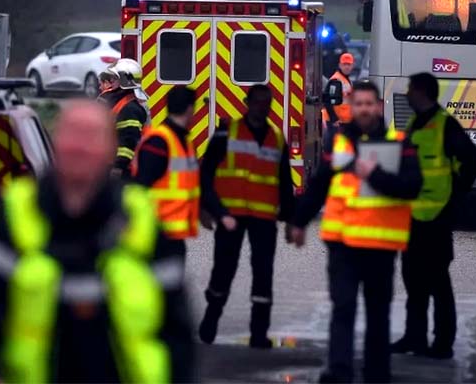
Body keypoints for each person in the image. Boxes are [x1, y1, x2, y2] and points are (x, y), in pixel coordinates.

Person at [0, 100, 194, 383]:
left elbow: (176, 326)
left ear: (110, 149)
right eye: (72, 134)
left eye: (91, 136)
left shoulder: (141, 219)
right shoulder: (15, 213)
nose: (80, 146)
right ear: (55, 142)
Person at [288, 80, 421, 384]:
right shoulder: (339, 142)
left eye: (369, 104)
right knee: (343, 308)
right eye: (358, 103)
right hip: (343, 244)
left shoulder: (399, 143)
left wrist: (373, 173)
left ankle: (377, 373)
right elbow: (319, 184)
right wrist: (299, 221)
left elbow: (411, 187)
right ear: (351, 105)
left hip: (380, 245)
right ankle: (338, 372)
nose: (363, 109)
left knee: (377, 314)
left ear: (378, 107)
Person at [391, 72, 476, 360]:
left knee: (438, 281)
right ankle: (414, 337)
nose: (407, 94)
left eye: (410, 90)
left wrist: (457, 193)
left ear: (422, 92)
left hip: (438, 217)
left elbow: (472, 158)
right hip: (413, 216)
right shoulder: (414, 122)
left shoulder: (445, 125)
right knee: (412, 280)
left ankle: (443, 343)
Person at [197, 84, 295, 349]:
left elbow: (284, 182)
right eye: (258, 101)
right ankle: (211, 318)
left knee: (263, 274)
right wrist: (209, 208)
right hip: (231, 215)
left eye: (267, 102)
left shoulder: (276, 138)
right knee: (223, 271)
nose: (262, 107)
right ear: (247, 103)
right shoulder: (226, 133)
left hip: (264, 219)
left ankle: (259, 332)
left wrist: (291, 220)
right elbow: (205, 174)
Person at [130, 86, 201, 255]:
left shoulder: (183, 141)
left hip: (173, 233)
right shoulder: (159, 142)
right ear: (190, 109)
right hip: (157, 232)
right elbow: (141, 187)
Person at [98, 58, 149, 178]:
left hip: (123, 171)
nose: (109, 83)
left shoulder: (129, 109)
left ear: (124, 82)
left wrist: (119, 166)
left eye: (113, 79)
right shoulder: (118, 103)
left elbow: (129, 141)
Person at [322, 53, 355, 127]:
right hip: (335, 123)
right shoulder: (336, 80)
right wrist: (334, 119)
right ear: (340, 65)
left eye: (349, 64)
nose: (346, 67)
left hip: (343, 122)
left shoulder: (347, 80)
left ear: (352, 66)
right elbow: (328, 101)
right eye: (344, 64)